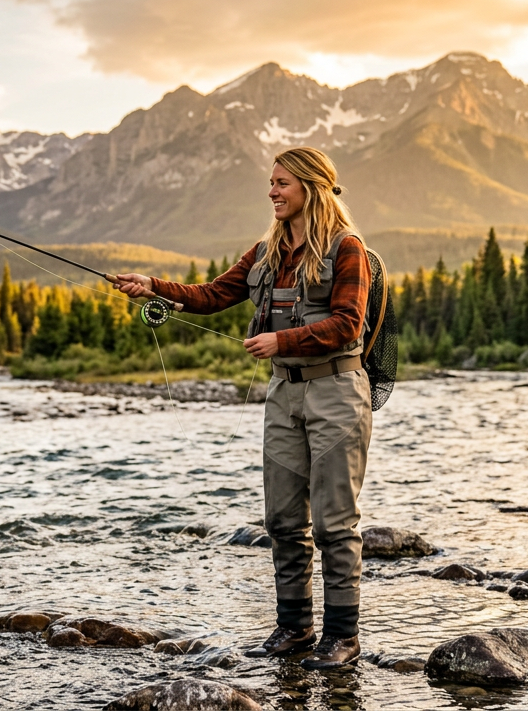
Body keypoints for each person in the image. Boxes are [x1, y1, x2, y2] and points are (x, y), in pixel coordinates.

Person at [112, 146, 372, 670]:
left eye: (282, 183)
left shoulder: (348, 250)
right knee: (282, 520)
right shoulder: (265, 251)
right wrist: (151, 287)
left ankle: (343, 637)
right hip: (283, 394)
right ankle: (294, 628)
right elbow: (210, 295)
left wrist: (283, 341)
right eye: (270, 183)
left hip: (336, 391)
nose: (272, 192)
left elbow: (348, 323)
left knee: (334, 524)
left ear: (311, 188)